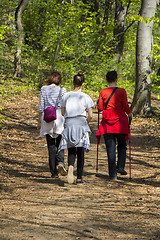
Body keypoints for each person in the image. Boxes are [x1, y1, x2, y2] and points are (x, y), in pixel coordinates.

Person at [58, 72, 94, 185]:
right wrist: (86, 123)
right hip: (81, 122)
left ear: (73, 83)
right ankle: (79, 178)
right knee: (81, 151)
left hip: (69, 123)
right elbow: (91, 115)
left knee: (71, 149)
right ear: (83, 84)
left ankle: (70, 167)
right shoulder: (85, 97)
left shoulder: (66, 96)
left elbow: (62, 112)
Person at [96, 70, 132, 180]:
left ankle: (113, 175)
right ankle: (120, 166)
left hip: (108, 123)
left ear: (106, 80)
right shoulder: (122, 91)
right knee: (122, 145)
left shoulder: (103, 92)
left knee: (110, 148)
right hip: (121, 122)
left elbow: (100, 108)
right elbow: (125, 105)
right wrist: (130, 113)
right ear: (116, 79)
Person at [37, 71, 67, 178]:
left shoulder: (44, 89)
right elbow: (64, 106)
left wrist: (39, 120)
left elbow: (41, 106)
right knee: (60, 143)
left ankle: (53, 172)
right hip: (59, 117)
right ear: (59, 80)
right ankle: (60, 162)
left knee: (50, 145)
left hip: (47, 116)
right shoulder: (63, 90)